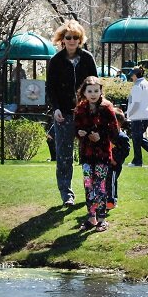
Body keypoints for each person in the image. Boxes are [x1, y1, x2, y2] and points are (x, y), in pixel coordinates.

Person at [46, 19, 98, 207]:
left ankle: (91, 191)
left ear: (80, 39)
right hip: (64, 114)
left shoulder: (87, 58)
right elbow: (50, 88)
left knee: (89, 153)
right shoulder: (56, 61)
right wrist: (56, 108)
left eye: (76, 37)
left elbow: (96, 85)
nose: (72, 41)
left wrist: (94, 108)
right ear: (62, 39)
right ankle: (66, 193)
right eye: (69, 37)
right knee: (64, 156)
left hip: (85, 113)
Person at [74, 76, 119, 233]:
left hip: (102, 154)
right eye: (90, 91)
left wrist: (100, 135)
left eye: (96, 91)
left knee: (99, 186)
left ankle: (101, 219)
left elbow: (115, 131)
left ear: (101, 92)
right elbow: (75, 128)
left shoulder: (107, 108)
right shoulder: (80, 108)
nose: (93, 94)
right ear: (84, 93)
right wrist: (80, 133)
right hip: (87, 154)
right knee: (88, 185)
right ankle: (91, 218)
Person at [126, 65, 148, 167]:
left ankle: (139, 160)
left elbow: (135, 103)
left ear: (136, 75)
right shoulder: (147, 84)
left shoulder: (137, 86)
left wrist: (129, 114)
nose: (131, 77)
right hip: (147, 114)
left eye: (132, 75)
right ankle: (147, 156)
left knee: (136, 138)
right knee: (138, 137)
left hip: (138, 115)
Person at [107, 108, 130, 211]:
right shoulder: (107, 135)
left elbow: (126, 151)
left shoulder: (122, 137)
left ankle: (111, 201)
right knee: (107, 181)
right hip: (106, 163)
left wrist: (116, 160)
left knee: (111, 180)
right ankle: (106, 199)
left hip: (115, 165)